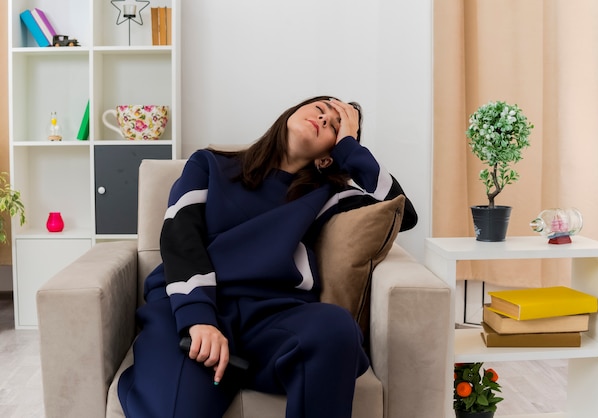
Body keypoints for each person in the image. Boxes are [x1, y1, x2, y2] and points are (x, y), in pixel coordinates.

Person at [118, 96, 418, 418]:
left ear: (328, 159)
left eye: (336, 125)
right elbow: (180, 237)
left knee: (335, 327)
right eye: (321, 108)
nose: (324, 118)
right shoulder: (210, 164)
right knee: (174, 410)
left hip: (271, 318)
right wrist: (199, 318)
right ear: (290, 113)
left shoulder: (329, 197)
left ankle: (243, 367)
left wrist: (349, 147)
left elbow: (403, 210)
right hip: (193, 306)